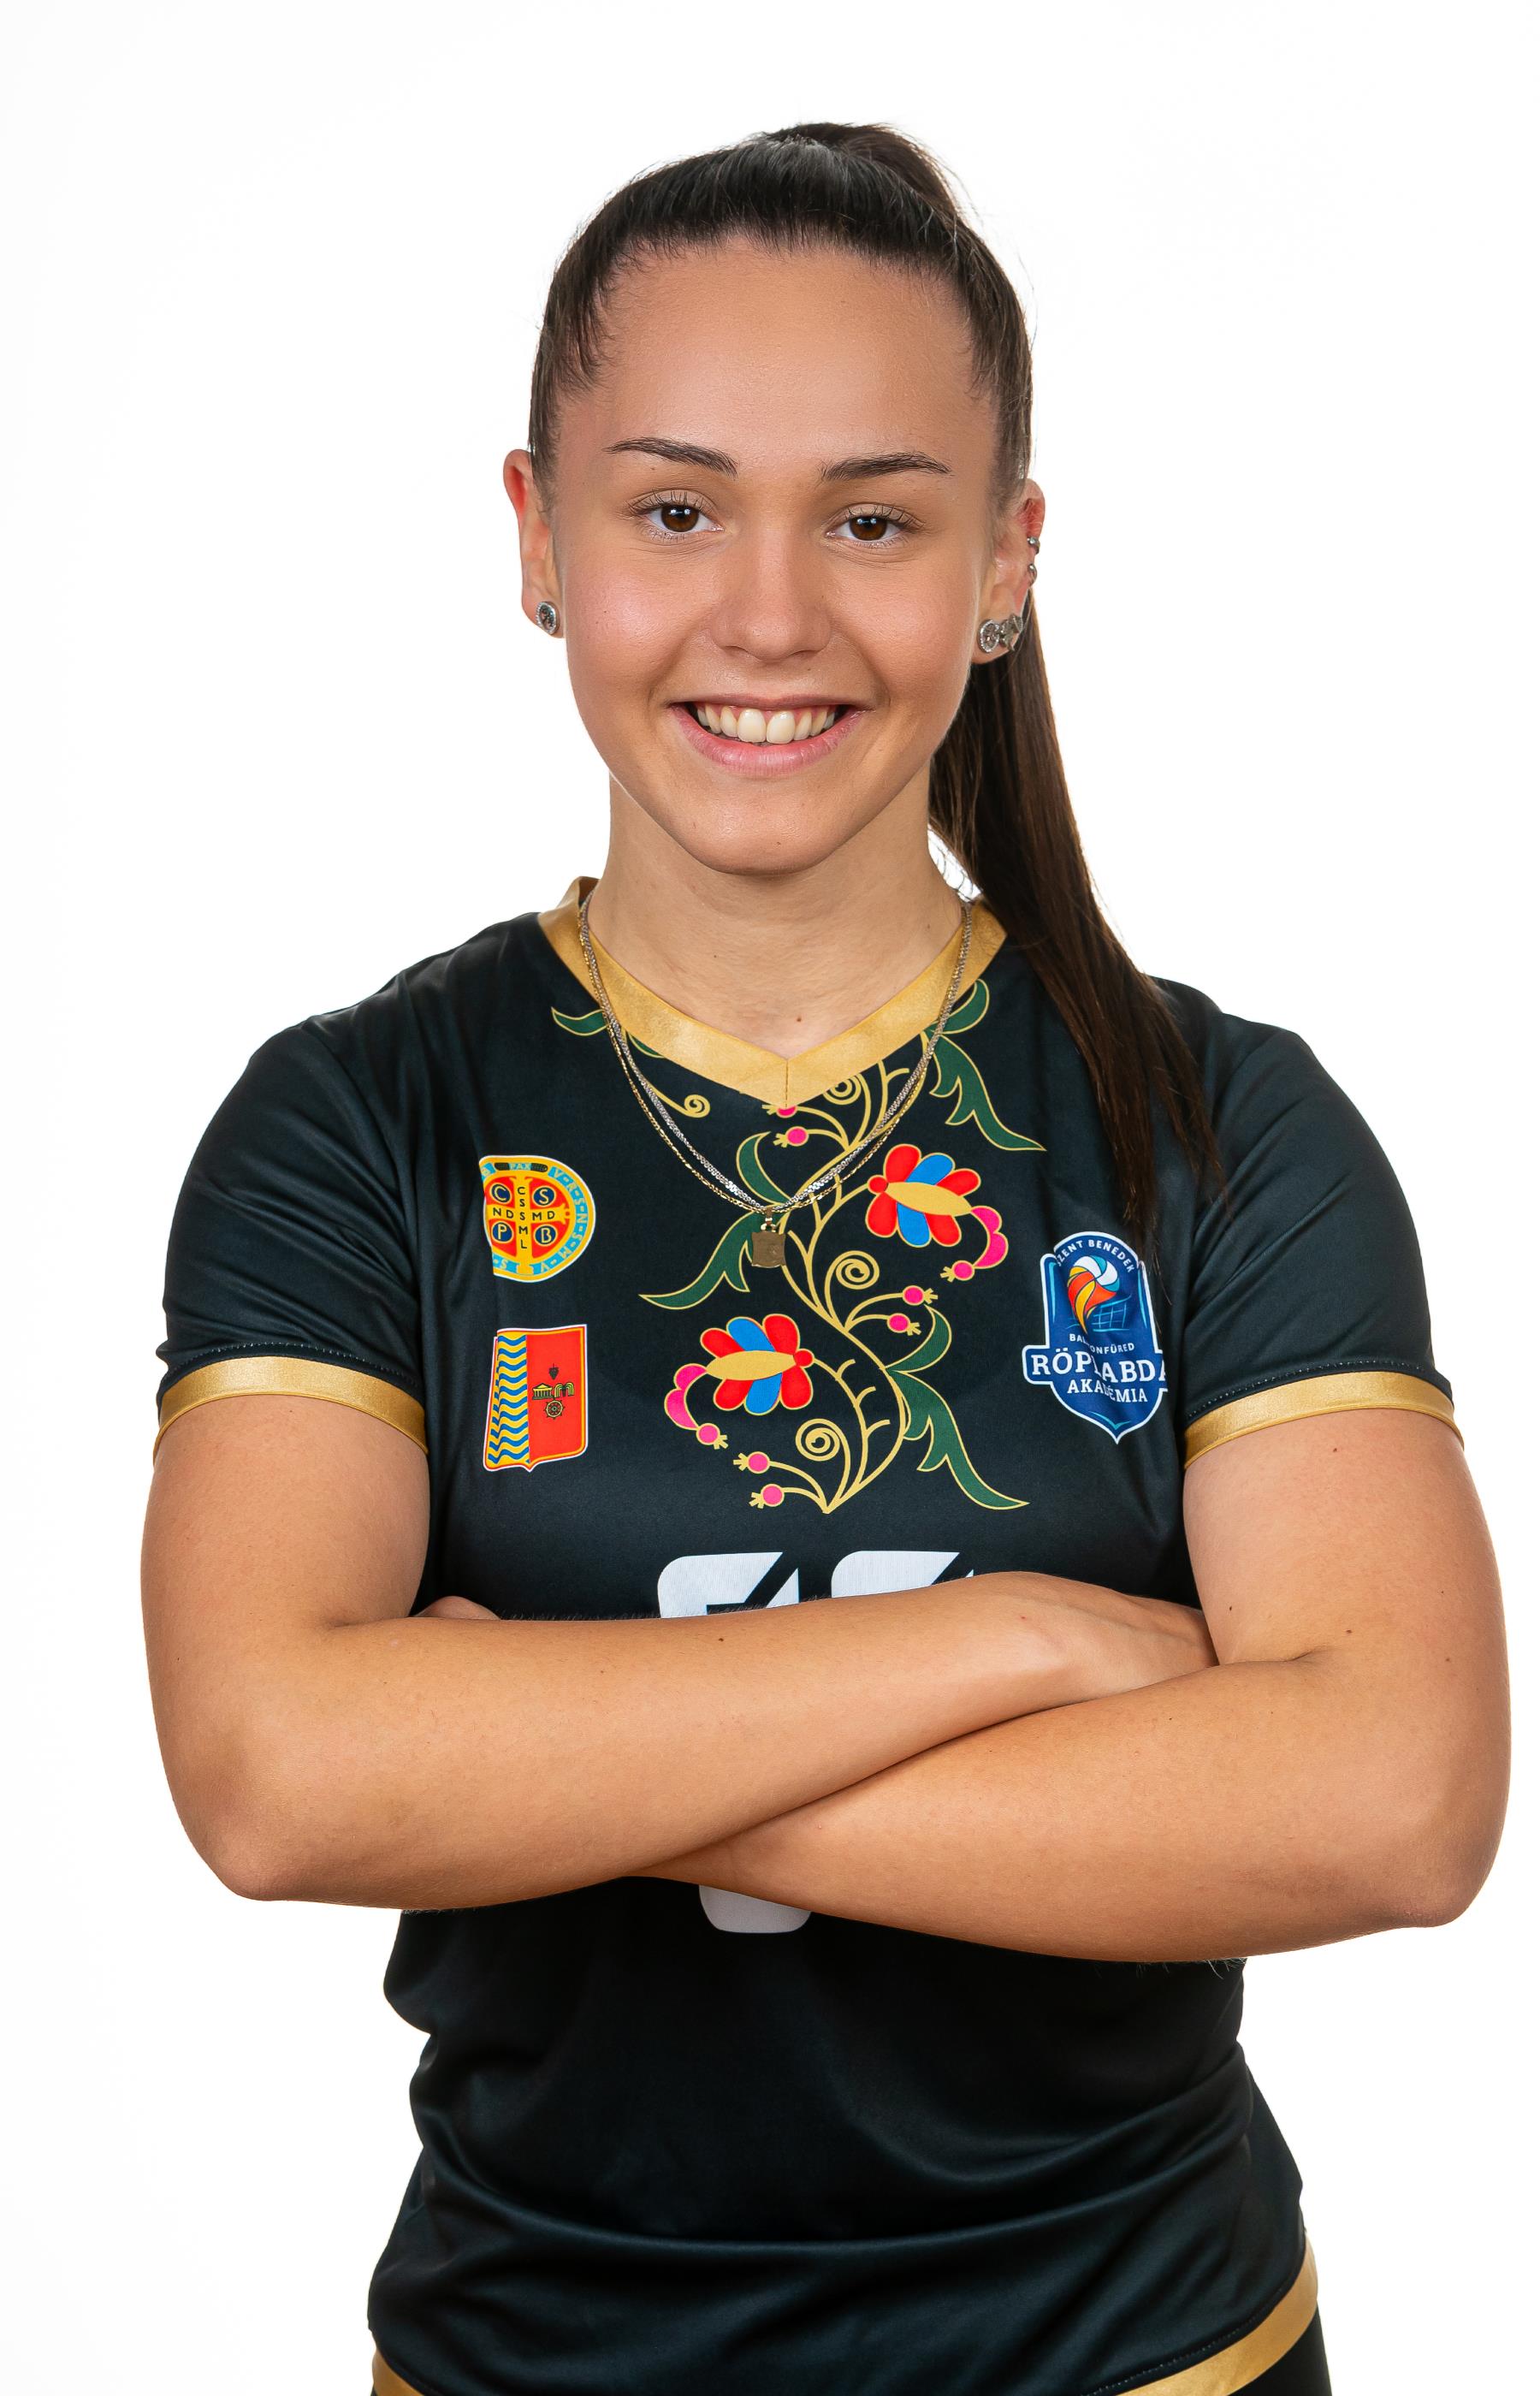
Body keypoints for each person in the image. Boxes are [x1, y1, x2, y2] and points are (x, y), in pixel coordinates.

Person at [140, 122, 1508, 2396]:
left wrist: (530, 1749)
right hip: (532, 2355)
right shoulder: (361, 1122)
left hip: (1140, 2354)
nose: (768, 614)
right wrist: (1027, 1640)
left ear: (1006, 561)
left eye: (873, 519)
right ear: (539, 538)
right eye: (675, 510)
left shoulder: (1222, 1126)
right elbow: (280, 1774)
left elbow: (1397, 1798)